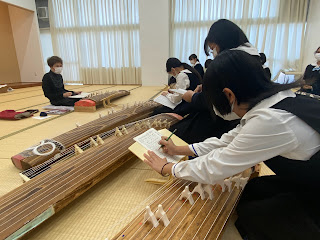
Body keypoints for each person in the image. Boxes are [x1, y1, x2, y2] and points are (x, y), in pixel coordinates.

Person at [144, 50, 320, 240]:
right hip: (306, 178)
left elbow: (217, 165)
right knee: (252, 190)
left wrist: (170, 168)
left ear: (228, 95)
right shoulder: (276, 99)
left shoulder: (272, 120)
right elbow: (227, 141)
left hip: (313, 187)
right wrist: (180, 149)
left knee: (252, 216)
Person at [170, 19, 262, 144]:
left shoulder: (232, 62)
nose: (213, 53)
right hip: (224, 114)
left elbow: (217, 99)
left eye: (213, 48)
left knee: (178, 133)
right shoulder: (251, 57)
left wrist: (193, 96)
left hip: (222, 118)